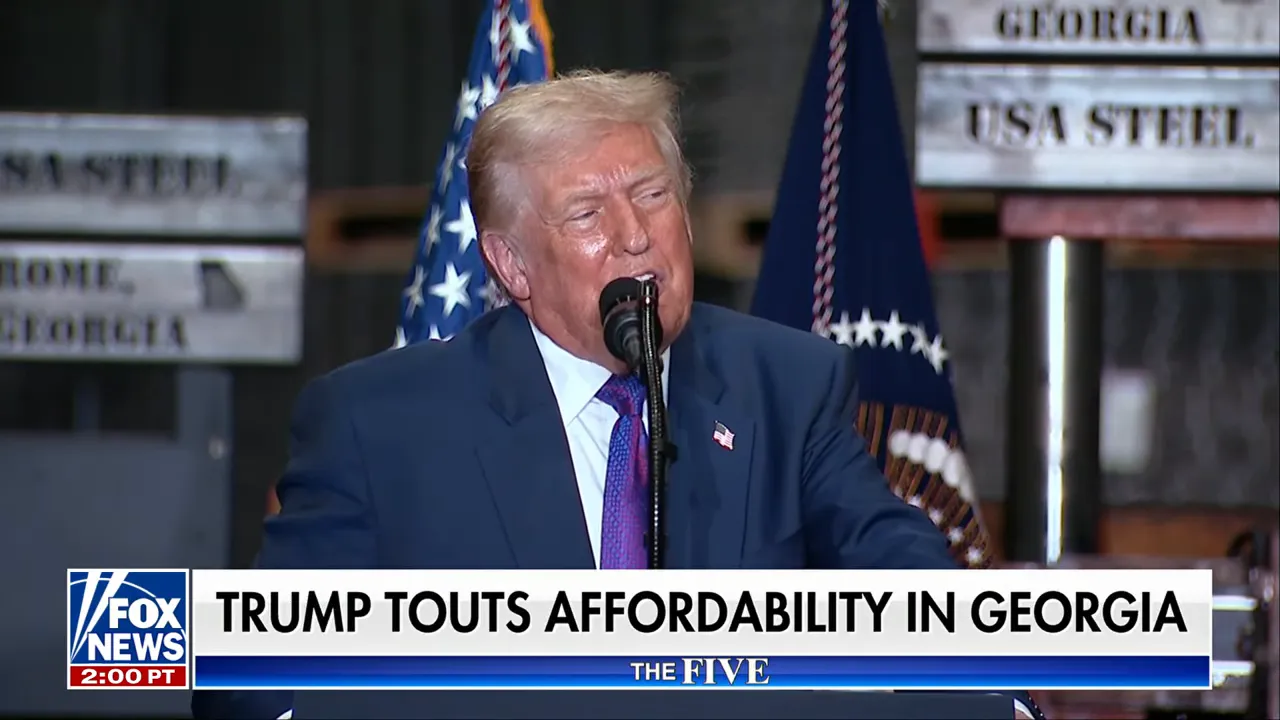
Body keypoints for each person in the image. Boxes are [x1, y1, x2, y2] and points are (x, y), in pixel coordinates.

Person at [193, 70, 1039, 719]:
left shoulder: (786, 385)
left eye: (652, 196)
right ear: (511, 264)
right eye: (588, 214)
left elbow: (908, 584)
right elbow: (251, 680)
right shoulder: (380, 425)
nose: (635, 237)